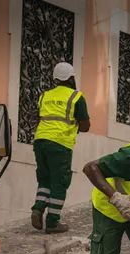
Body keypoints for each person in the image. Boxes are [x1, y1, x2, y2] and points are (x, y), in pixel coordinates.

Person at [31, 62, 91, 234]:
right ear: (71, 78)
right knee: (60, 181)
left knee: (44, 178)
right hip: (60, 143)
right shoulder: (76, 97)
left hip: (40, 140)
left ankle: (38, 207)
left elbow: (39, 117)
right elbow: (85, 125)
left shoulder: (45, 95)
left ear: (56, 79)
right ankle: (52, 222)